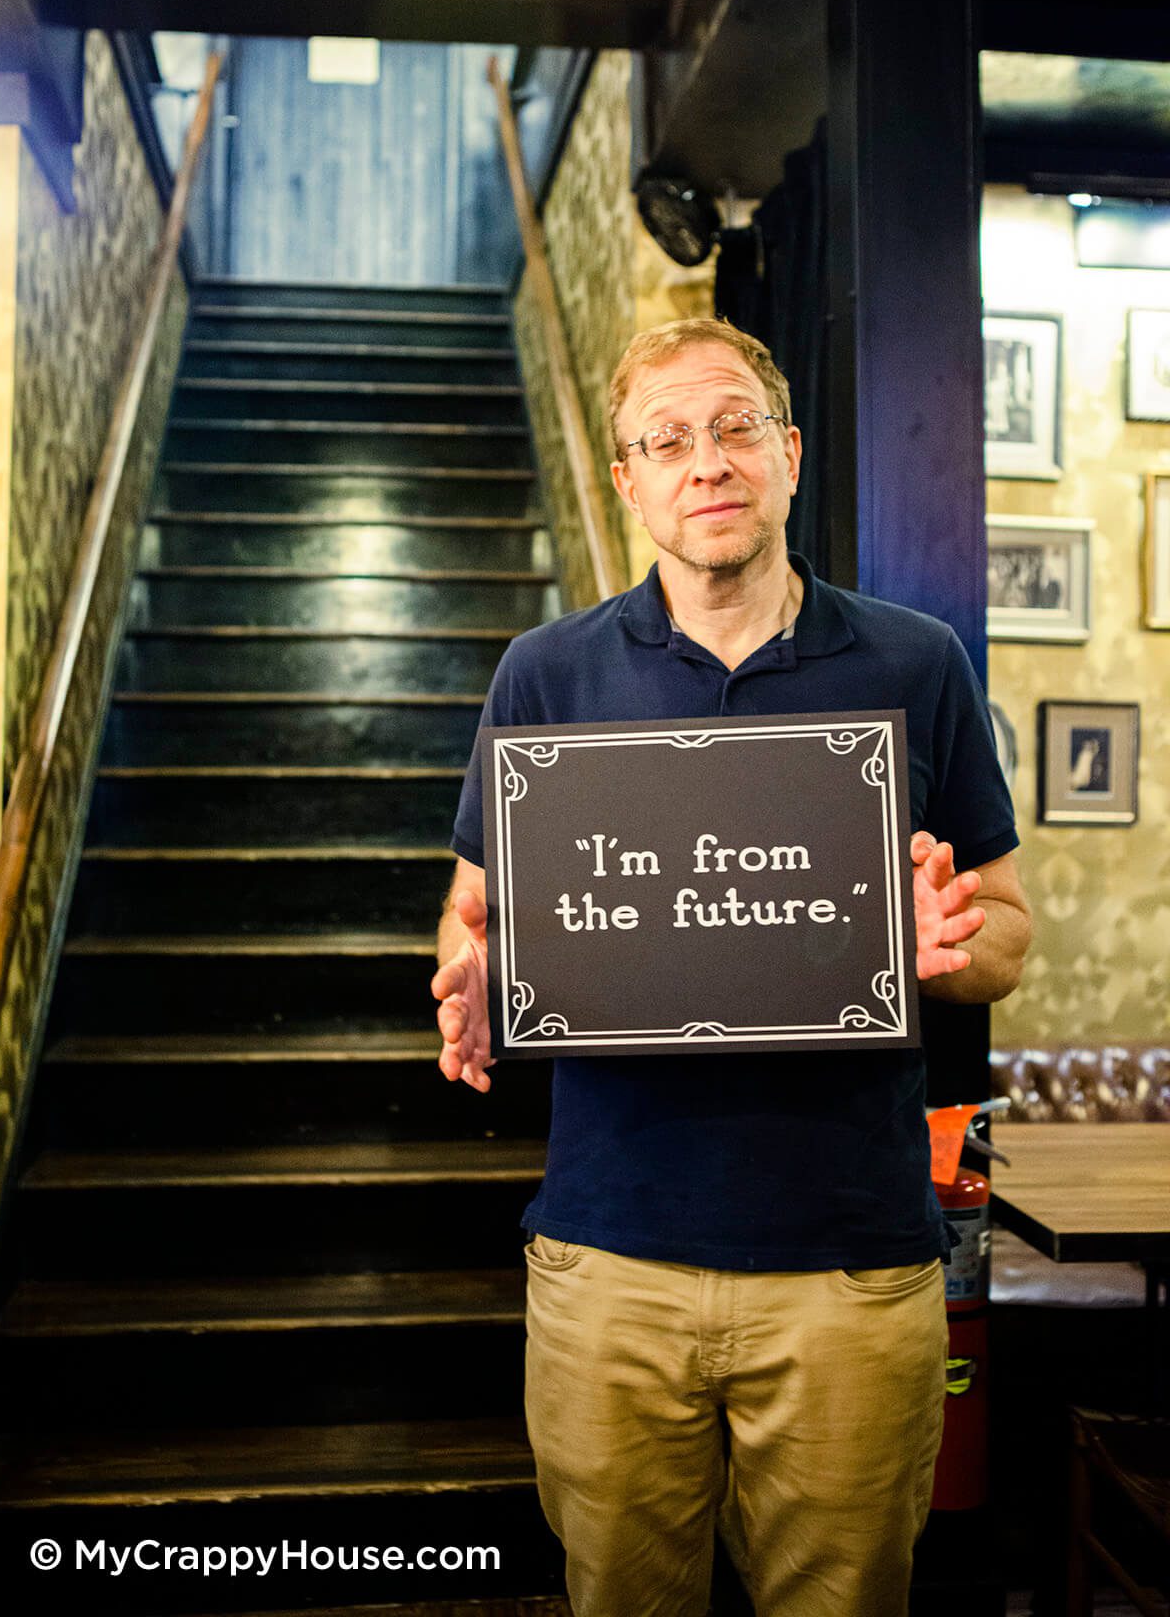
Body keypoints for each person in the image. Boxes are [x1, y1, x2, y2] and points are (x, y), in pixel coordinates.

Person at [432, 317, 1032, 1617]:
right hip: (612, 1268)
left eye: (734, 427)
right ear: (628, 481)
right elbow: (472, 909)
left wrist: (953, 948)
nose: (705, 462)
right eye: (668, 440)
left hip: (854, 1276)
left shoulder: (917, 663)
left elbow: (1008, 929)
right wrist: (473, 969)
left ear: (789, 453)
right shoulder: (547, 676)